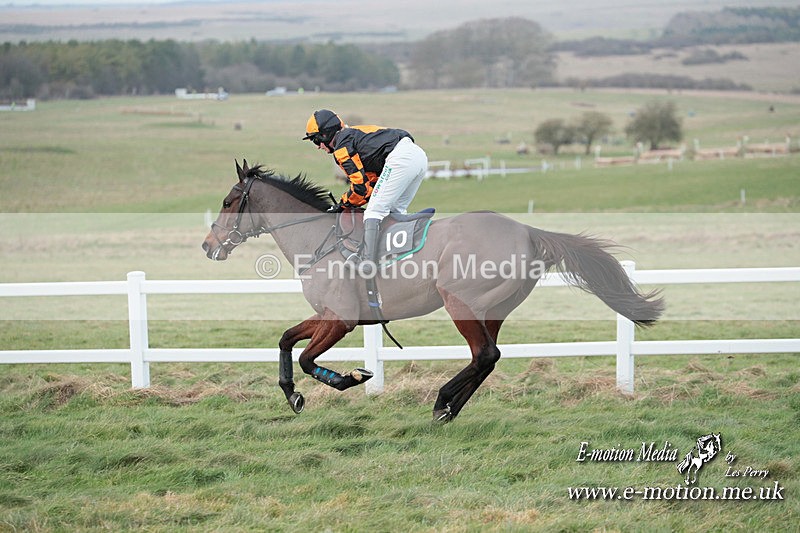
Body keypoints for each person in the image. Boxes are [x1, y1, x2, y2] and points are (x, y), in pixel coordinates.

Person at [303, 109, 428, 274]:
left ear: (326, 135)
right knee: (394, 211)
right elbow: (370, 186)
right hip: (418, 156)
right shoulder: (353, 135)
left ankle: (368, 262)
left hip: (401, 159)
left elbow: (360, 188)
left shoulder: (342, 146)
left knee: (374, 212)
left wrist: (343, 203)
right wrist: (349, 202)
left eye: (316, 140)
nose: (318, 147)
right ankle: (398, 258)